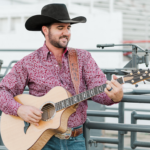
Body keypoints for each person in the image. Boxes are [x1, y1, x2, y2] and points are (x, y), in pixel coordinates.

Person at [0, 3, 123, 150]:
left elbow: (98, 91)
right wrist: (19, 109)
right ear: (45, 30)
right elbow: (3, 91)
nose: (66, 32)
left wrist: (115, 96)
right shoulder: (29, 62)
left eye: (68, 27)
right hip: (40, 139)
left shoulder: (83, 57)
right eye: (60, 28)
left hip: (75, 139)